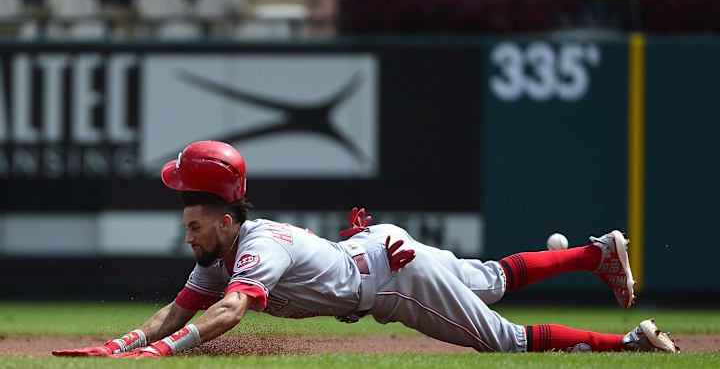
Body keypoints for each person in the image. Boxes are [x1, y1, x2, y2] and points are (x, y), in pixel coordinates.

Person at [52, 140, 678, 358]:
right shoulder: (221, 254)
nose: (186, 234)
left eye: (194, 221)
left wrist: (162, 353)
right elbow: (179, 309)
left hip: (392, 280)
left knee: (505, 340)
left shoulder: (254, 252)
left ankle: (629, 344)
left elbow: (228, 313)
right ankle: (596, 255)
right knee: (490, 277)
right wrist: (122, 344)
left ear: (224, 216)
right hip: (380, 249)